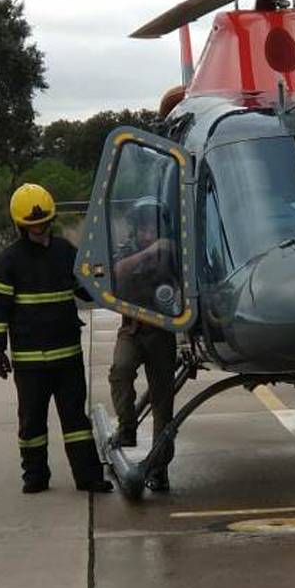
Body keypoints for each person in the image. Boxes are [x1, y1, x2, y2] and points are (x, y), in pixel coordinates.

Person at [0, 183, 112, 495]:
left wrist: (105, 285)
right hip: (29, 362)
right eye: (33, 225)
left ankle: (88, 477)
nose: (40, 230)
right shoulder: (9, 261)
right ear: (20, 225)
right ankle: (35, 476)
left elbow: (84, 289)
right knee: (31, 424)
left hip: (67, 356)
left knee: (76, 423)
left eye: (44, 223)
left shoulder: (65, 252)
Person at [107, 197, 179, 492]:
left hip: (163, 331)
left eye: (153, 224)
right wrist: (149, 253)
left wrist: (166, 250)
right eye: (144, 224)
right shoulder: (127, 252)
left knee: (163, 403)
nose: (148, 229)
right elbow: (115, 274)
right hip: (132, 330)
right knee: (120, 371)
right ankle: (127, 427)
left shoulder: (174, 252)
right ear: (136, 227)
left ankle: (160, 468)